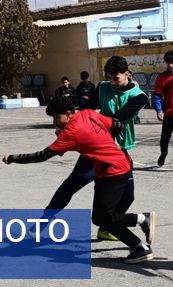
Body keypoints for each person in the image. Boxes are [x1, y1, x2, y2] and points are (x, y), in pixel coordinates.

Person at [2, 95, 155, 264]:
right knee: (100, 217)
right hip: (115, 165)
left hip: (113, 172)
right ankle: (139, 239)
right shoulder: (88, 113)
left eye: (56, 117)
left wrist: (12, 158)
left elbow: (42, 156)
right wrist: (103, 145)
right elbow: (117, 125)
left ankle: (141, 227)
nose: (54, 122)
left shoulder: (70, 133)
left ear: (68, 114)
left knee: (103, 217)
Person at [43, 57, 148, 242]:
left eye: (116, 78)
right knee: (71, 185)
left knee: (128, 196)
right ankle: (42, 222)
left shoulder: (139, 97)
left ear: (127, 74)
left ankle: (108, 227)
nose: (112, 83)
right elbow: (87, 109)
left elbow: (118, 119)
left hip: (119, 151)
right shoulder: (102, 87)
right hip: (96, 147)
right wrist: (68, 127)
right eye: (109, 78)